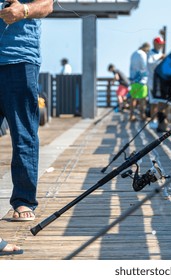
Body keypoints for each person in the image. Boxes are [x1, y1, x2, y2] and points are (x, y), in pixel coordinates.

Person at [0, 0, 53, 254]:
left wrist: (23, 11)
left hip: (20, 59)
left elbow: (48, 4)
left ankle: (23, 201)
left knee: (24, 134)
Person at [147, 36, 165, 128]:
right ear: (154, 43)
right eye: (159, 44)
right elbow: (150, 65)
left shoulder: (160, 53)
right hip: (152, 81)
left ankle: (159, 121)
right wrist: (160, 59)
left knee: (160, 102)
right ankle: (152, 121)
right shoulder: (150, 53)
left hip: (160, 81)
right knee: (153, 102)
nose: (160, 45)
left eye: (161, 44)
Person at [129, 42, 150, 121]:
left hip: (133, 80)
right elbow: (145, 67)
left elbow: (130, 67)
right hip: (142, 80)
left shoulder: (133, 54)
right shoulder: (143, 54)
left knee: (133, 99)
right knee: (142, 99)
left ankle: (131, 116)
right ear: (146, 48)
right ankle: (142, 115)